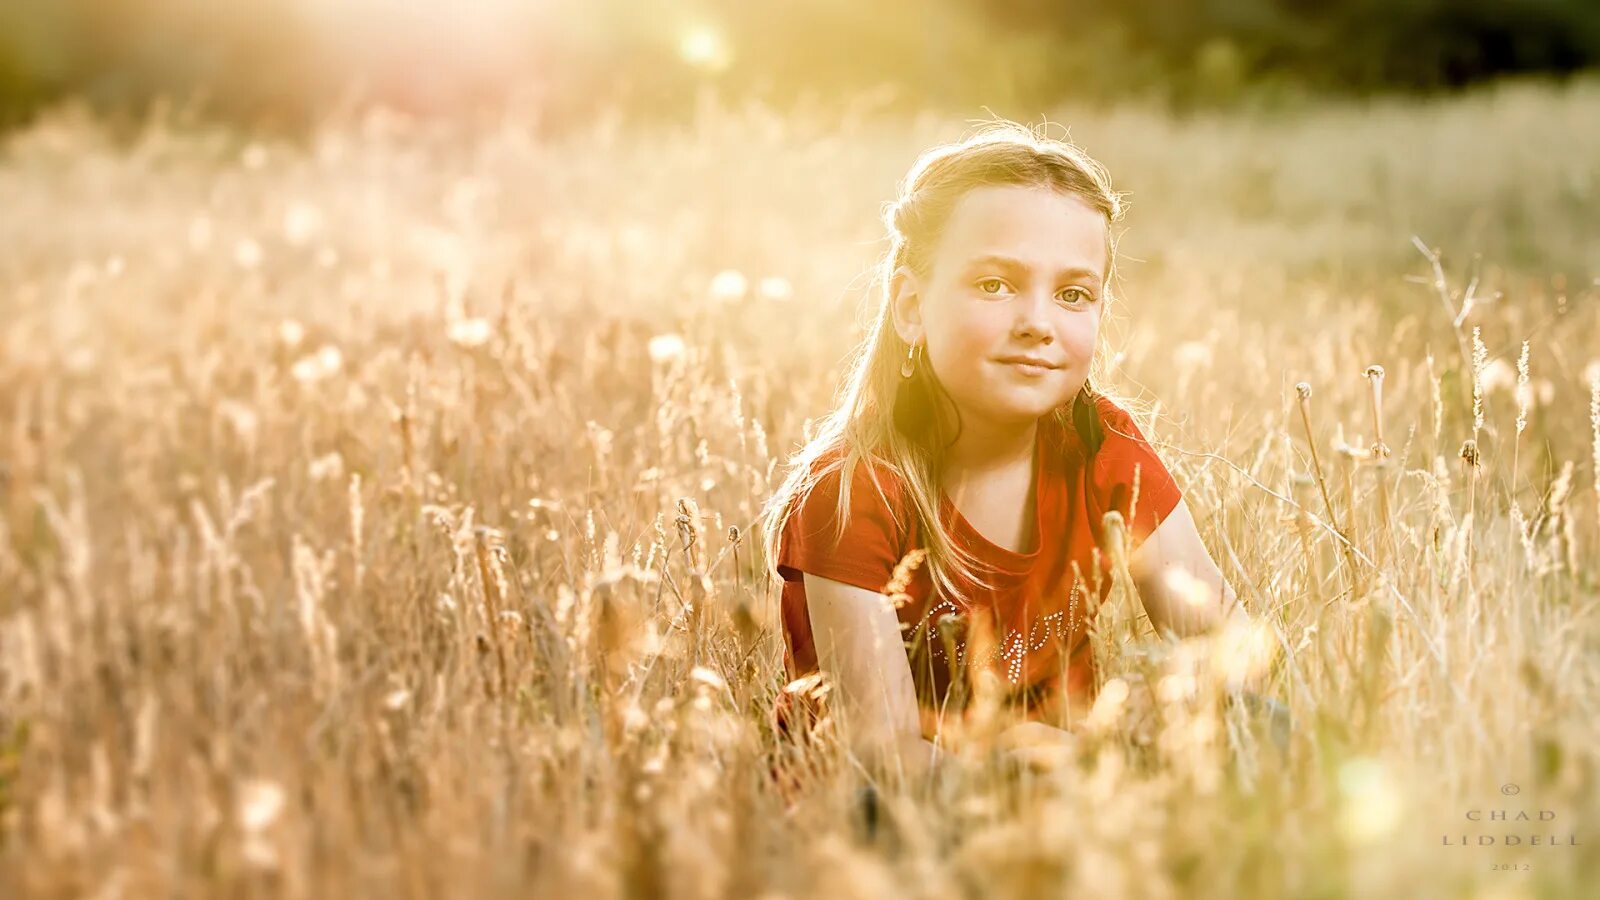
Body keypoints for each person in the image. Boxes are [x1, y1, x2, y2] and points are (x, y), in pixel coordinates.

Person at [758, 120, 1260, 790]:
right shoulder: (851, 495)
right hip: (893, 817)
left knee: (1266, 726)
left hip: (1069, 785)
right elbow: (881, 754)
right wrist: (1026, 779)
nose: (1038, 322)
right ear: (912, 306)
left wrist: (1150, 711)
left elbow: (1231, 643)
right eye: (995, 285)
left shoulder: (1101, 447)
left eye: (1073, 294)